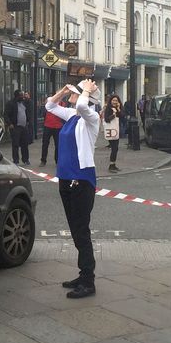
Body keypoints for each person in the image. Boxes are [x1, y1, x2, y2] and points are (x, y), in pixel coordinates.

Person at [45, 79, 101, 299]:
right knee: (75, 230)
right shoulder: (72, 117)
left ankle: (88, 281)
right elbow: (50, 106)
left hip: (82, 180)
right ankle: (83, 274)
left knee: (81, 231)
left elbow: (82, 106)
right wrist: (63, 91)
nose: (73, 95)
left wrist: (86, 90)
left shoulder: (91, 119)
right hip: (66, 179)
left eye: (77, 92)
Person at [5, 90, 31, 165]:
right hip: (15, 126)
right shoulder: (11, 104)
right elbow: (6, 114)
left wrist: (28, 121)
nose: (22, 97)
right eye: (21, 95)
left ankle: (25, 159)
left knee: (25, 144)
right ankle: (16, 160)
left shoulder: (24, 103)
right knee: (15, 144)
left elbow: (28, 112)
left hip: (24, 126)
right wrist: (9, 123)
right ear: (16, 96)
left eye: (23, 95)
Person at [40, 97, 65, 166]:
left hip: (57, 126)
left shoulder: (63, 104)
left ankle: (57, 161)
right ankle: (43, 160)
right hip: (48, 125)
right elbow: (44, 112)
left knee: (58, 145)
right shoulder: (50, 102)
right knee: (45, 144)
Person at [101, 94, 123, 173]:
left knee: (115, 148)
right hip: (111, 130)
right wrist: (113, 115)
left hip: (116, 130)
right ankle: (111, 166)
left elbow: (122, 116)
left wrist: (118, 108)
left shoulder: (117, 108)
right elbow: (106, 119)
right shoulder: (108, 109)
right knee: (114, 148)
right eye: (113, 100)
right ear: (111, 101)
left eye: (116, 100)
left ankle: (113, 165)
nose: (115, 102)